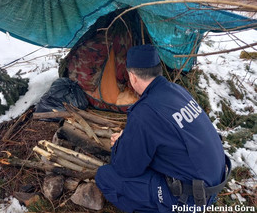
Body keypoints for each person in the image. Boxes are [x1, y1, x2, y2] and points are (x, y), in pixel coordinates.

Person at [95, 45, 230, 213]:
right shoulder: (177, 91)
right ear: (158, 71)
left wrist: (120, 144)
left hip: (189, 199)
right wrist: (131, 137)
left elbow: (126, 168)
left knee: (105, 176)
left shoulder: (145, 111)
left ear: (133, 77)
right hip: (212, 183)